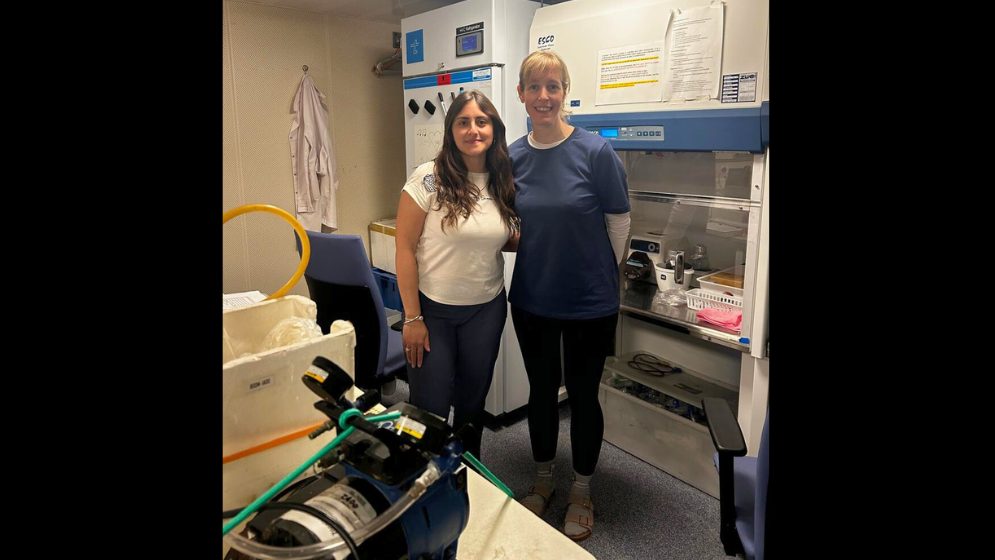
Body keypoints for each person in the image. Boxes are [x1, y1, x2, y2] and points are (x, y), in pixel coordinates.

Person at [508, 50, 631, 542]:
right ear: (521, 94)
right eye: (534, 88)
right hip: (533, 297)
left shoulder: (596, 152)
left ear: (564, 93)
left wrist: (599, 270)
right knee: (541, 392)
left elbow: (618, 222)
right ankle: (542, 481)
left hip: (587, 302)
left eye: (553, 86)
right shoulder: (511, 157)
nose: (544, 96)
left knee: (582, 396)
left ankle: (581, 489)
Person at [394, 90, 519, 460]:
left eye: (482, 121)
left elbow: (501, 237)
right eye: (463, 122)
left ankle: (467, 478)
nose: (473, 130)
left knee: (471, 407)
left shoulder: (501, 180)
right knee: (428, 409)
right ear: (451, 131)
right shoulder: (429, 179)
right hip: (433, 312)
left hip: (486, 309)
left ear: (493, 128)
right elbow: (404, 248)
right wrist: (412, 317)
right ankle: (422, 485)